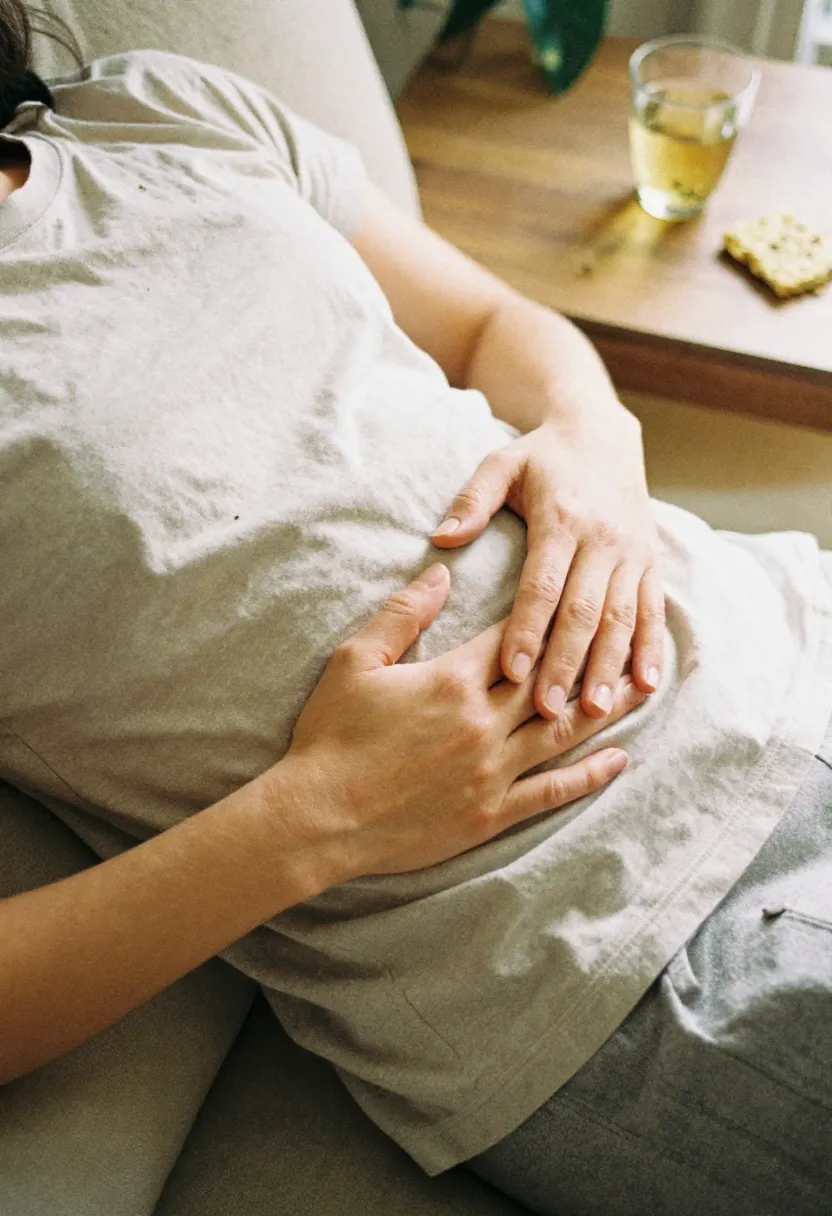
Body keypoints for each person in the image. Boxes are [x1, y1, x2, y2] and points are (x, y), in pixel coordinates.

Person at [0, 4, 830, 1212]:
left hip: (778, 633)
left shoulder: (153, 108)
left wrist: (596, 441)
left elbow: (495, 325)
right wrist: (316, 817)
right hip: (621, 949)